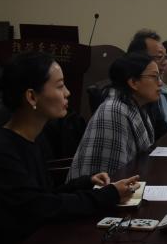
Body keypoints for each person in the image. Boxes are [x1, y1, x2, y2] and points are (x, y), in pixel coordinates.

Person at [0, 52, 139, 244]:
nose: (68, 93)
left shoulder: (30, 140)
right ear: (32, 97)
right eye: (60, 86)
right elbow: (43, 209)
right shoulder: (0, 153)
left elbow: (41, 196)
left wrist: (85, 182)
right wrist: (108, 195)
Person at [68, 52, 160, 180]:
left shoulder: (137, 106)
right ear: (133, 82)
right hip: (98, 190)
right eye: (155, 77)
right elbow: (113, 176)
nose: (160, 83)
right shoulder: (115, 111)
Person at [128, 29, 167, 137]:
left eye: (166, 57)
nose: (165, 63)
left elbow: (162, 131)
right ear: (139, 58)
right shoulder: (120, 106)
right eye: (159, 57)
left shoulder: (149, 92)